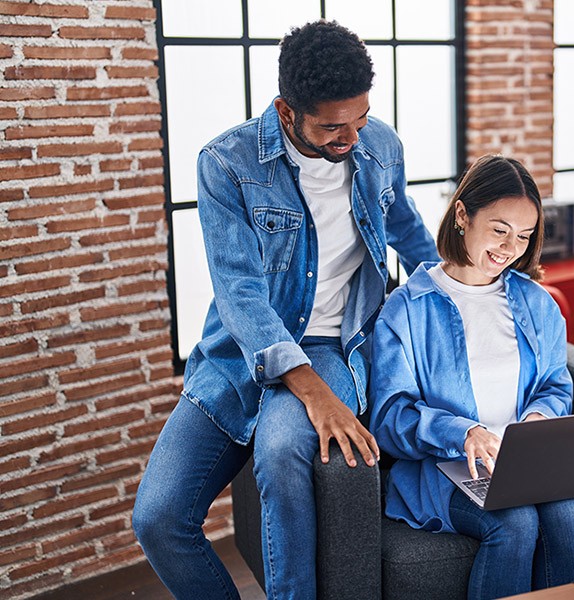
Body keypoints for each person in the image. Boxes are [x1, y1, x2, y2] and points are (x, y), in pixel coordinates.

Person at [132, 20, 439, 600]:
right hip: (238, 353)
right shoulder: (227, 163)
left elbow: (409, 233)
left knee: (279, 455)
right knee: (158, 519)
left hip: (333, 346)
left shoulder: (381, 148)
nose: (350, 136)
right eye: (332, 125)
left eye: (361, 118)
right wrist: (314, 396)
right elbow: (240, 294)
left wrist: (464, 291)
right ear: (285, 111)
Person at [369, 155, 574, 599]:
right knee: (515, 521)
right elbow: (390, 417)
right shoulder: (407, 309)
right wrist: (464, 432)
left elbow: (554, 385)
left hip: (528, 462)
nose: (511, 248)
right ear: (462, 215)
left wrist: (538, 422)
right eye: (500, 230)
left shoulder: (537, 304)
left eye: (525, 236)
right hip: (447, 469)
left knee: (566, 514)